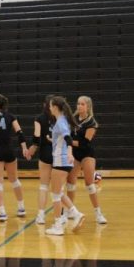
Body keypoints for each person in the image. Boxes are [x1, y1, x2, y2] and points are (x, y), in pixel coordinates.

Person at [0, 94, 28, 222]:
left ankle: (2, 212)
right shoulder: (11, 116)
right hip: (9, 150)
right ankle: (21, 207)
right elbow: (20, 133)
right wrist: (24, 148)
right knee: (14, 180)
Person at [45, 96, 85, 236]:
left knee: (55, 194)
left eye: (50, 106)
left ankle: (58, 226)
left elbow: (68, 138)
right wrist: (53, 139)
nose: (49, 108)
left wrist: (69, 153)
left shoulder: (61, 121)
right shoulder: (61, 121)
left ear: (55, 107)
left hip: (61, 161)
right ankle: (76, 213)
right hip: (63, 161)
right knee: (59, 192)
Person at [66, 96, 107, 224]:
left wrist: (69, 141)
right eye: (78, 103)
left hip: (87, 154)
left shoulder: (92, 123)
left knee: (89, 183)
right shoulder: (72, 120)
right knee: (70, 182)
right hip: (75, 154)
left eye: (82, 104)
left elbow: (84, 142)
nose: (79, 106)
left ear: (88, 107)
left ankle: (98, 213)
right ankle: (70, 211)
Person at [27, 95, 54, 224]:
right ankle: (62, 215)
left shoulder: (39, 118)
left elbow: (36, 138)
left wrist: (31, 150)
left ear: (45, 105)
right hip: (59, 154)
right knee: (59, 188)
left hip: (45, 153)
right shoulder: (61, 118)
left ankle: (41, 215)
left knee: (43, 186)